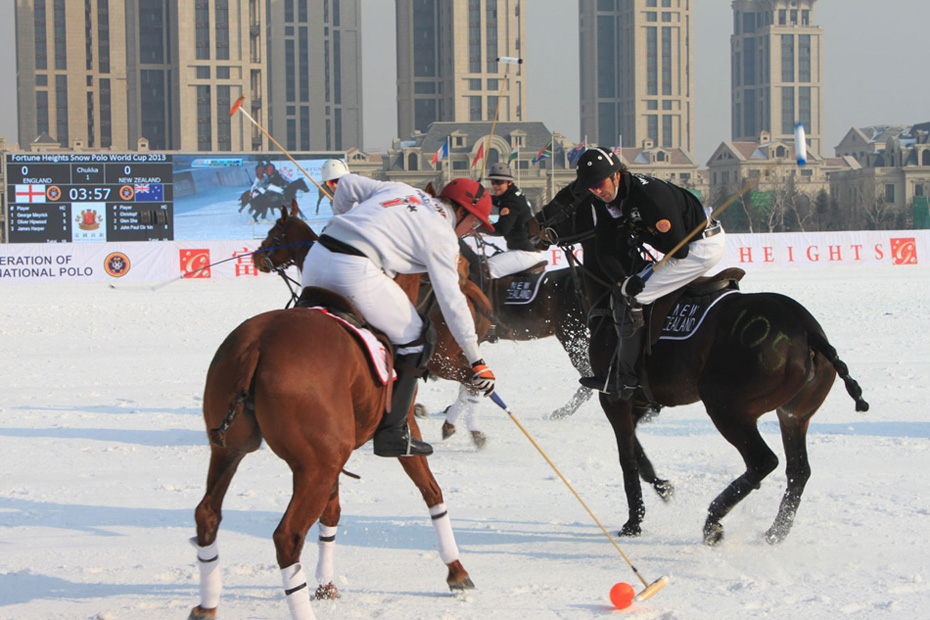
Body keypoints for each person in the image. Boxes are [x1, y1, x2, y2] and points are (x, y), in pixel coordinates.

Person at [301, 174, 498, 457]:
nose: (472, 230)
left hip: (316, 259)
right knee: (419, 338)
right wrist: (476, 360)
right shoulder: (442, 234)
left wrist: (344, 219)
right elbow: (451, 298)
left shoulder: (402, 189)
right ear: (461, 210)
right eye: (476, 222)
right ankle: (393, 432)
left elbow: (345, 185)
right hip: (356, 272)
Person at [574, 147, 726, 399]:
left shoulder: (649, 196)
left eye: (599, 184)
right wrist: (623, 278)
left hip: (699, 248)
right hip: (682, 247)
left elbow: (677, 249)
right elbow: (604, 247)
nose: (597, 191)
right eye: (591, 188)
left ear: (616, 175)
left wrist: (633, 231)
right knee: (625, 288)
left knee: (630, 298)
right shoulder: (605, 202)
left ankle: (626, 377)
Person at [482, 162, 545, 279]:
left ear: (509, 182)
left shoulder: (511, 202)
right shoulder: (512, 194)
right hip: (522, 250)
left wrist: (478, 227)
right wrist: (482, 195)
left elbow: (502, 229)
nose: (495, 185)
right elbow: (498, 200)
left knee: (484, 270)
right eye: (493, 182)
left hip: (525, 253)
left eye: (499, 182)